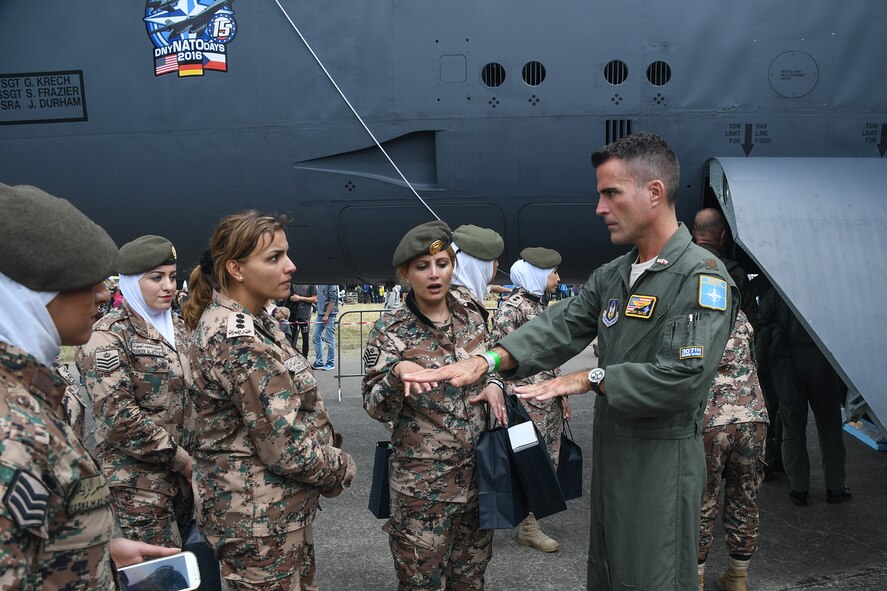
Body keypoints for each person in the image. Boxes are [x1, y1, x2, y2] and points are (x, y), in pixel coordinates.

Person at [403, 133, 738, 591]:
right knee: (607, 571)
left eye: (611, 193)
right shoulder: (617, 275)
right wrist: (490, 359)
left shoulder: (699, 277)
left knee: (651, 575)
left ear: (654, 192)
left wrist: (590, 378)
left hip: (662, 460)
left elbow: (683, 378)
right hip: (616, 453)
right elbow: (561, 325)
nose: (600, 208)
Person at [0, 183, 179, 588]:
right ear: (29, 295)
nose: (103, 294)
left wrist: (94, 550)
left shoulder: (27, 388)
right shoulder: (11, 430)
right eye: (87, 282)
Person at [182, 210, 355, 590]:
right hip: (257, 520)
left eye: (286, 254)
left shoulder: (254, 321)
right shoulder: (239, 339)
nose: (290, 266)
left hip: (270, 513)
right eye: (274, 257)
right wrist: (340, 467)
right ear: (236, 269)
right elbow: (285, 447)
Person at [362, 220, 506, 590]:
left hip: (478, 478)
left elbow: (488, 360)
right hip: (423, 490)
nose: (434, 274)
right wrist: (397, 373)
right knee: (420, 582)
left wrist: (492, 383)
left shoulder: (472, 313)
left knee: (471, 578)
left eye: (441, 264)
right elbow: (375, 406)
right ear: (405, 274)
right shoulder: (391, 331)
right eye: (422, 267)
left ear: (452, 266)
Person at [76, 235, 194, 548]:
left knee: (189, 567)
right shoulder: (106, 337)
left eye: (172, 276)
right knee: (159, 574)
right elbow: (119, 419)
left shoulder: (181, 329)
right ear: (129, 283)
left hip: (185, 479)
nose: (168, 286)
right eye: (156, 278)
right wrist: (184, 461)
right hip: (139, 484)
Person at [692, 210, 769, 591]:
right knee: (744, 499)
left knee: (702, 499)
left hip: (713, 420)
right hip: (754, 417)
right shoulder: (741, 317)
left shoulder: (692, 320)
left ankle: (697, 577)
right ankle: (737, 577)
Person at [491, 247, 569, 553]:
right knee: (529, 460)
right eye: (553, 272)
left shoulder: (538, 305)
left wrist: (561, 390)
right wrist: (516, 395)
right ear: (538, 274)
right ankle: (528, 526)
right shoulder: (512, 308)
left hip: (546, 396)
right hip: (525, 400)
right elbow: (500, 356)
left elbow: (550, 353)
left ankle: (530, 521)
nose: (558, 278)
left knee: (549, 459)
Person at [755, 285, 851, 507]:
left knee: (792, 425)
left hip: (787, 364)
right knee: (830, 426)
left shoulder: (778, 286)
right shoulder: (825, 289)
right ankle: (835, 486)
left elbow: (763, 319)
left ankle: (799, 488)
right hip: (823, 362)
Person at [450, 224, 504, 323]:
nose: (497, 264)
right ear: (482, 265)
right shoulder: (465, 310)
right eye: (495, 260)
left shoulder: (455, 297)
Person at [312, 284, 339, 371]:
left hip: (330, 315)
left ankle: (330, 362)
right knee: (315, 337)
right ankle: (319, 361)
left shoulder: (331, 284)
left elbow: (333, 299)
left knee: (329, 338)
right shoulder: (320, 283)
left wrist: (327, 315)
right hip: (320, 314)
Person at [287, 283, 317, 356]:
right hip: (292, 313)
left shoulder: (311, 284)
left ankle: (305, 356)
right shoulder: (292, 283)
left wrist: (300, 298)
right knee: (291, 337)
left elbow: (314, 299)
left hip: (304, 314)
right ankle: (292, 356)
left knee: (305, 338)